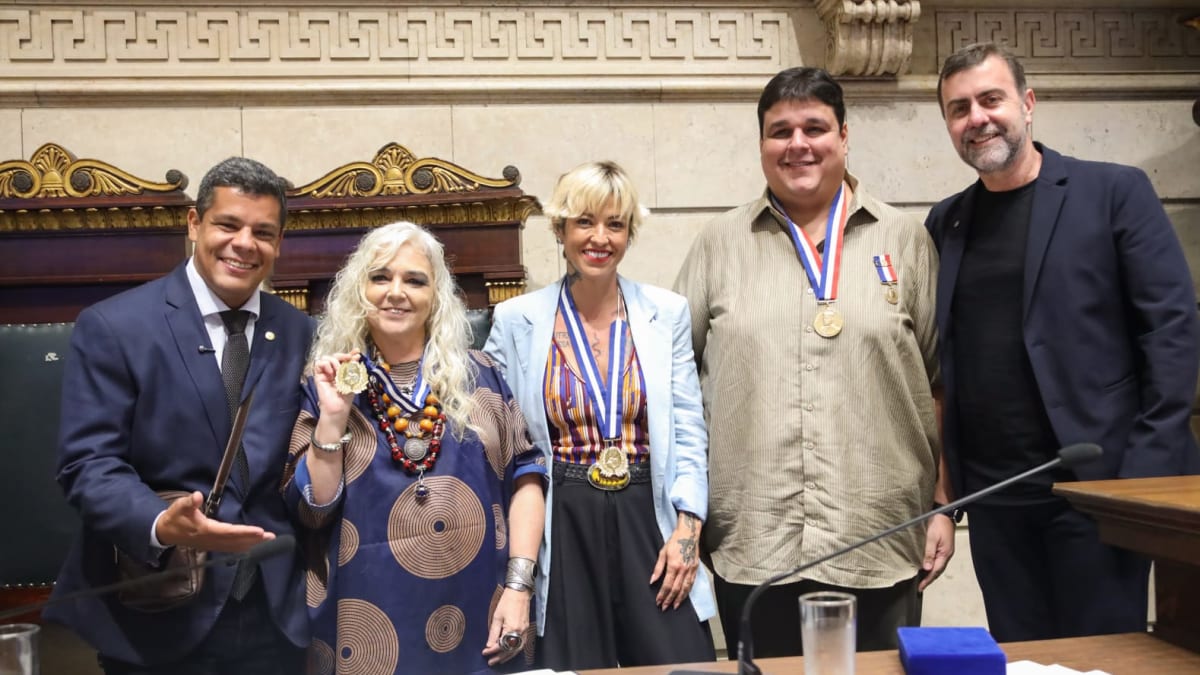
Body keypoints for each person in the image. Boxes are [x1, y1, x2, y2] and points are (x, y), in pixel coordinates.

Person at [673, 67, 953, 658]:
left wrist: (943, 507)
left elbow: (939, 382)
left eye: (814, 128)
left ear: (844, 137)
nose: (797, 144)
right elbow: (677, 387)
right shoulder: (718, 244)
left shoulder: (905, 239)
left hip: (880, 534)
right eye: (780, 131)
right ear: (761, 146)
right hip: (753, 538)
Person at [926, 42, 1200, 641]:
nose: (977, 118)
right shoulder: (944, 222)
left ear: (1027, 104)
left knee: (1102, 659)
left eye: (990, 99)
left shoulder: (1113, 192)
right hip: (997, 500)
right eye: (958, 108)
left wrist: (1140, 481)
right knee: (1020, 659)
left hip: (1097, 492)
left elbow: (1172, 330)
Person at [47, 157, 312, 673]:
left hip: (275, 613)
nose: (244, 243)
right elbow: (87, 465)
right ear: (194, 224)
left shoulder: (300, 332)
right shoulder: (115, 326)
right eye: (228, 225)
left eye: (263, 232)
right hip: (159, 613)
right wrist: (159, 523)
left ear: (279, 244)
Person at [283, 221, 546, 675]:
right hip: (365, 625)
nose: (395, 291)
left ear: (436, 296)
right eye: (380, 277)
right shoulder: (326, 383)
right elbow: (312, 511)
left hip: (481, 612)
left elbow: (526, 477)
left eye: (414, 279)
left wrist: (520, 588)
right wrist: (332, 416)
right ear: (358, 291)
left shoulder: (481, 374)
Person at [484, 161, 716, 670]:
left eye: (615, 224)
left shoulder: (666, 312)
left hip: (646, 513)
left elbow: (688, 431)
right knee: (572, 667)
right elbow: (504, 441)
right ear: (561, 229)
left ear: (630, 233)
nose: (599, 238)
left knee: (681, 663)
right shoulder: (516, 319)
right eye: (585, 222)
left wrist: (688, 531)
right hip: (562, 516)